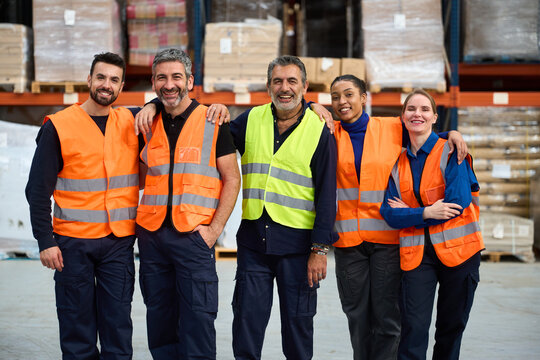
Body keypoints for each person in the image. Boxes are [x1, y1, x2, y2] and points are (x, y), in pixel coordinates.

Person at [330, 75, 468, 360]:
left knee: (387, 318)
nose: (342, 101)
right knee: (356, 316)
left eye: (349, 94)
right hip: (348, 242)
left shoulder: (391, 126)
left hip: (388, 239)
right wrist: (310, 105)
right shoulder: (329, 132)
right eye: (335, 97)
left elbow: (423, 133)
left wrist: (450, 133)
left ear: (364, 97)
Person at [25, 52, 140, 360]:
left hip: (118, 243)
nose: (106, 85)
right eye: (101, 77)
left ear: (121, 86)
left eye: (114, 80)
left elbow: (165, 109)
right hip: (71, 244)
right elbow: (37, 192)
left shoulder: (131, 121)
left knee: (117, 326)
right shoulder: (59, 126)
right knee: (77, 328)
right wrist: (45, 242)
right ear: (89, 80)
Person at [229, 55, 337, 360]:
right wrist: (154, 105)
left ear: (304, 86)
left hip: (299, 249)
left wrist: (319, 250)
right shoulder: (250, 120)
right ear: (268, 86)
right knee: (246, 326)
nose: (284, 88)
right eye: (277, 81)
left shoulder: (319, 130)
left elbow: (327, 195)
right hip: (253, 244)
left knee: (298, 330)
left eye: (292, 81)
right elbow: (207, 134)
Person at [135, 48, 240, 360]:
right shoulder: (146, 123)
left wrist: (215, 230)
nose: (170, 84)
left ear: (190, 80)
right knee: (159, 315)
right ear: (153, 83)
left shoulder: (213, 120)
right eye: (162, 78)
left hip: (194, 237)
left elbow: (232, 179)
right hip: (153, 236)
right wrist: (150, 107)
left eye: (176, 77)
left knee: (198, 316)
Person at [380, 89, 484, 360]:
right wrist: (427, 212)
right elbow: (389, 214)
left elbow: (457, 202)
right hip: (417, 258)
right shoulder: (397, 163)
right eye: (411, 109)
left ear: (435, 117)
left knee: (450, 328)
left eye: (425, 109)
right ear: (403, 117)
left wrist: (411, 213)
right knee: (412, 328)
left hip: (460, 253)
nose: (418, 114)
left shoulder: (451, 150)